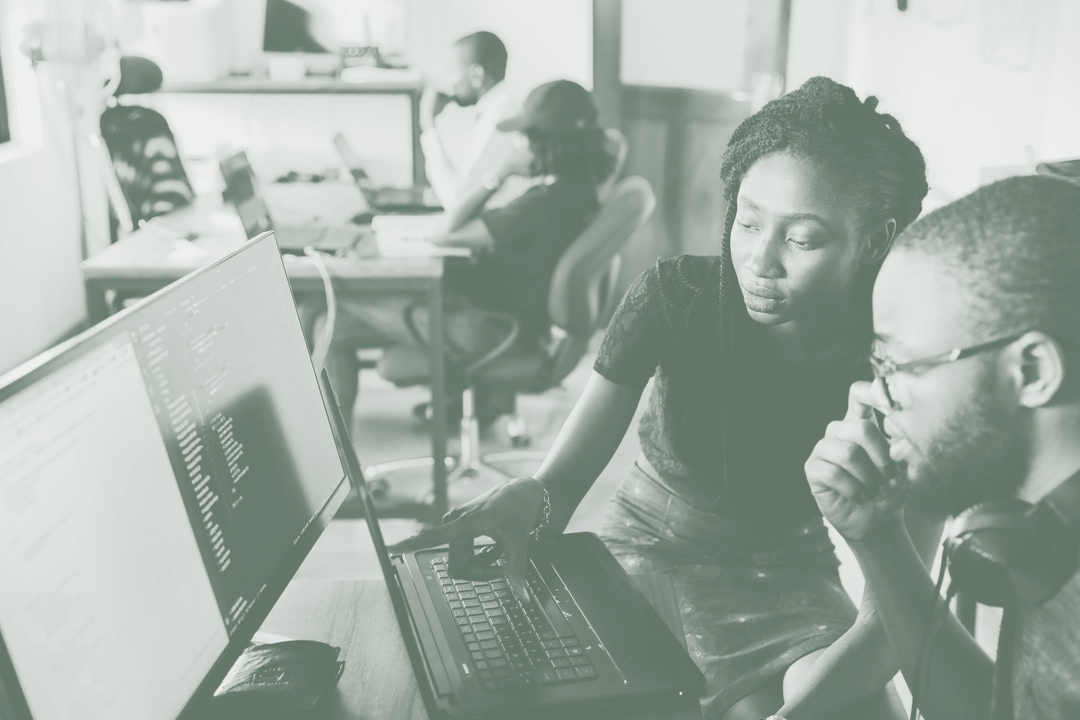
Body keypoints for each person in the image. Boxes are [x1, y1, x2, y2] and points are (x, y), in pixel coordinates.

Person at [392, 76, 933, 720]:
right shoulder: (677, 299)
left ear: (873, 240)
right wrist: (527, 498)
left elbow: (894, 621)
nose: (758, 260)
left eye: (802, 239)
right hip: (645, 556)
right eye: (748, 221)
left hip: (791, 581)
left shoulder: (905, 370)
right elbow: (557, 488)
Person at [805, 175, 1080, 720]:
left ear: (1031, 371)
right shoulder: (1043, 531)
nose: (872, 396)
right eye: (875, 363)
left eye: (899, 365)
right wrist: (877, 538)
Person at [316, 79, 615, 424]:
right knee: (324, 317)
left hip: (489, 330)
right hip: (512, 324)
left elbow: (448, 232)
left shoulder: (541, 205)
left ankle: (341, 461)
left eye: (527, 135)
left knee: (325, 316)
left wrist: (499, 173)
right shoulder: (579, 191)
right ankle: (341, 454)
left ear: (550, 142)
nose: (519, 143)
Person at [420, 30, 524, 212]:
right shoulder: (497, 109)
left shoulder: (501, 117)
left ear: (477, 75)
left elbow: (457, 201)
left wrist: (428, 125)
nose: (447, 81)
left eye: (452, 70)